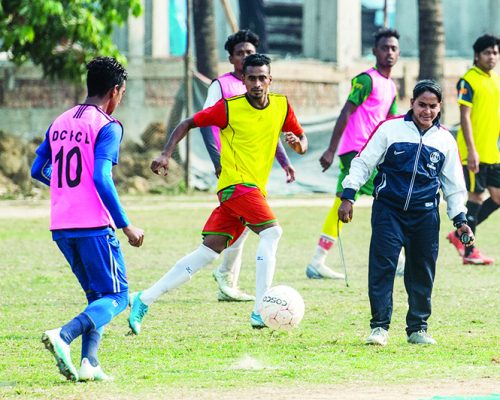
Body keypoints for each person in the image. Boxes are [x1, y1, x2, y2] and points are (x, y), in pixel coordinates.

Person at [128, 53, 307, 334]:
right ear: (244, 80)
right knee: (272, 233)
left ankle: (144, 297)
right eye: (252, 78)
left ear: (270, 80)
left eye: (262, 78)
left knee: (207, 253)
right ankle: (261, 309)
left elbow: (301, 139)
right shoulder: (228, 108)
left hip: (250, 191)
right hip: (235, 185)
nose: (257, 83)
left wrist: (298, 145)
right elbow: (187, 123)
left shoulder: (282, 106)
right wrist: (165, 153)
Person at [31, 56, 144, 381]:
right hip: (93, 225)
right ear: (115, 91)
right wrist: (126, 225)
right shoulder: (107, 126)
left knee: (98, 296)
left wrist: (66, 187)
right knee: (118, 297)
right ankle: (63, 336)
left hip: (62, 225)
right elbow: (101, 178)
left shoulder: (61, 120)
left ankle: (89, 363)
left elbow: (37, 169)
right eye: (121, 93)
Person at [338, 80, 474, 346]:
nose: (427, 111)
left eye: (433, 106)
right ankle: (379, 328)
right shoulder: (390, 129)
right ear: (411, 103)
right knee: (382, 268)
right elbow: (363, 162)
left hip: (425, 216)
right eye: (422, 105)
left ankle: (418, 328)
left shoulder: (445, 140)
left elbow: (454, 185)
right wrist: (348, 195)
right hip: (388, 211)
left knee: (422, 271)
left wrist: (460, 220)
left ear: (439, 108)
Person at [201, 29, 295, 302]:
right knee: (251, 224)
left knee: (242, 225)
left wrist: (285, 162)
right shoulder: (221, 86)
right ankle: (227, 275)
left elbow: (267, 130)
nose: (245, 56)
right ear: (231, 58)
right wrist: (216, 160)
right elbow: (204, 123)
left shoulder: (260, 88)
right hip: (232, 168)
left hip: (254, 170)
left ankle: (226, 275)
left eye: (250, 52)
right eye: (240, 53)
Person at [305, 28, 403, 280]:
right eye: (384, 48)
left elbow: (391, 121)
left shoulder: (390, 86)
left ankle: (317, 260)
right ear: (374, 51)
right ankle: (399, 261)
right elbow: (346, 112)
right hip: (357, 151)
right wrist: (330, 149)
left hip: (372, 152)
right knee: (390, 196)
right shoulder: (366, 80)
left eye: (393, 48)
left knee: (342, 200)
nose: (389, 52)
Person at [446, 34, 500, 265]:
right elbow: (464, 117)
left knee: (497, 198)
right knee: (476, 198)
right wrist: (471, 150)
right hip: (472, 152)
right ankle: (469, 251)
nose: (493, 56)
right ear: (477, 55)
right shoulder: (467, 80)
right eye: (488, 52)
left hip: (492, 152)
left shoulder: (496, 80)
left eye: (496, 52)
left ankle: (458, 235)